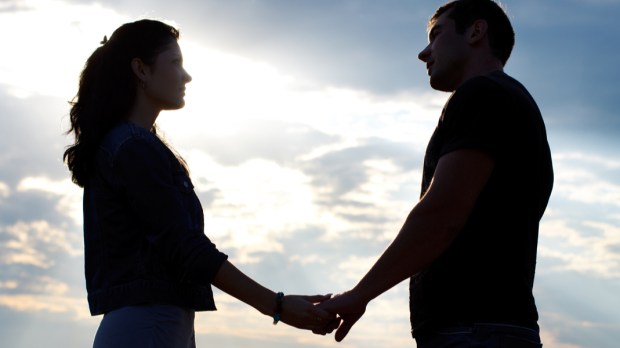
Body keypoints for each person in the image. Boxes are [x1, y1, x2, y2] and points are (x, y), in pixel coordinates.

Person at [63, 19, 335, 348]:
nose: (186, 75)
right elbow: (186, 248)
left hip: (156, 324)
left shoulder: (132, 145)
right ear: (141, 70)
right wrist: (275, 305)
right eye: (175, 63)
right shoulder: (132, 147)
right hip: (150, 325)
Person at [317, 0, 553, 347]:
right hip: (491, 327)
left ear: (476, 31)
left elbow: (442, 213)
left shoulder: (482, 95)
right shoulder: (513, 101)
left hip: (474, 331)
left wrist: (360, 294)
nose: (423, 53)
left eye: (436, 35)